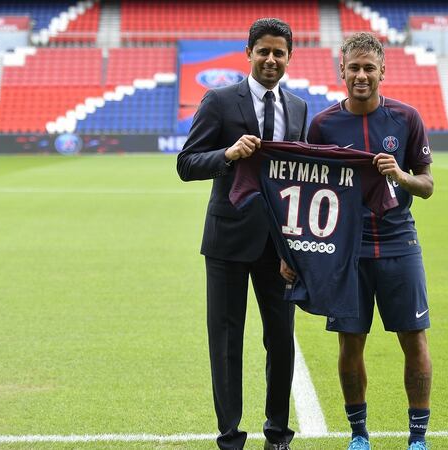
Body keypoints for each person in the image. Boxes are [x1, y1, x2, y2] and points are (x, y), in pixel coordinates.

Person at [176, 18, 308, 450]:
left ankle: (278, 433)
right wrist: (228, 154)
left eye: (279, 53)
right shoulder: (218, 101)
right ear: (248, 53)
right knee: (227, 342)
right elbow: (187, 163)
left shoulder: (299, 108)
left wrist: (299, 244)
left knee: (281, 341)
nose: (271, 59)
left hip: (280, 245)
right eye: (264, 51)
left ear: (289, 57)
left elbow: (300, 178)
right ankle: (230, 436)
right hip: (228, 243)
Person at [302, 32, 434, 450]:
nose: (361, 75)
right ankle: (359, 434)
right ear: (341, 70)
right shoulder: (322, 125)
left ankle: (417, 438)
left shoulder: (407, 118)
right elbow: (309, 193)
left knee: (414, 338)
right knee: (350, 341)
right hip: (346, 251)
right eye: (354, 67)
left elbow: (427, 185)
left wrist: (401, 175)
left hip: (398, 243)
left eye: (369, 68)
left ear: (382, 71)